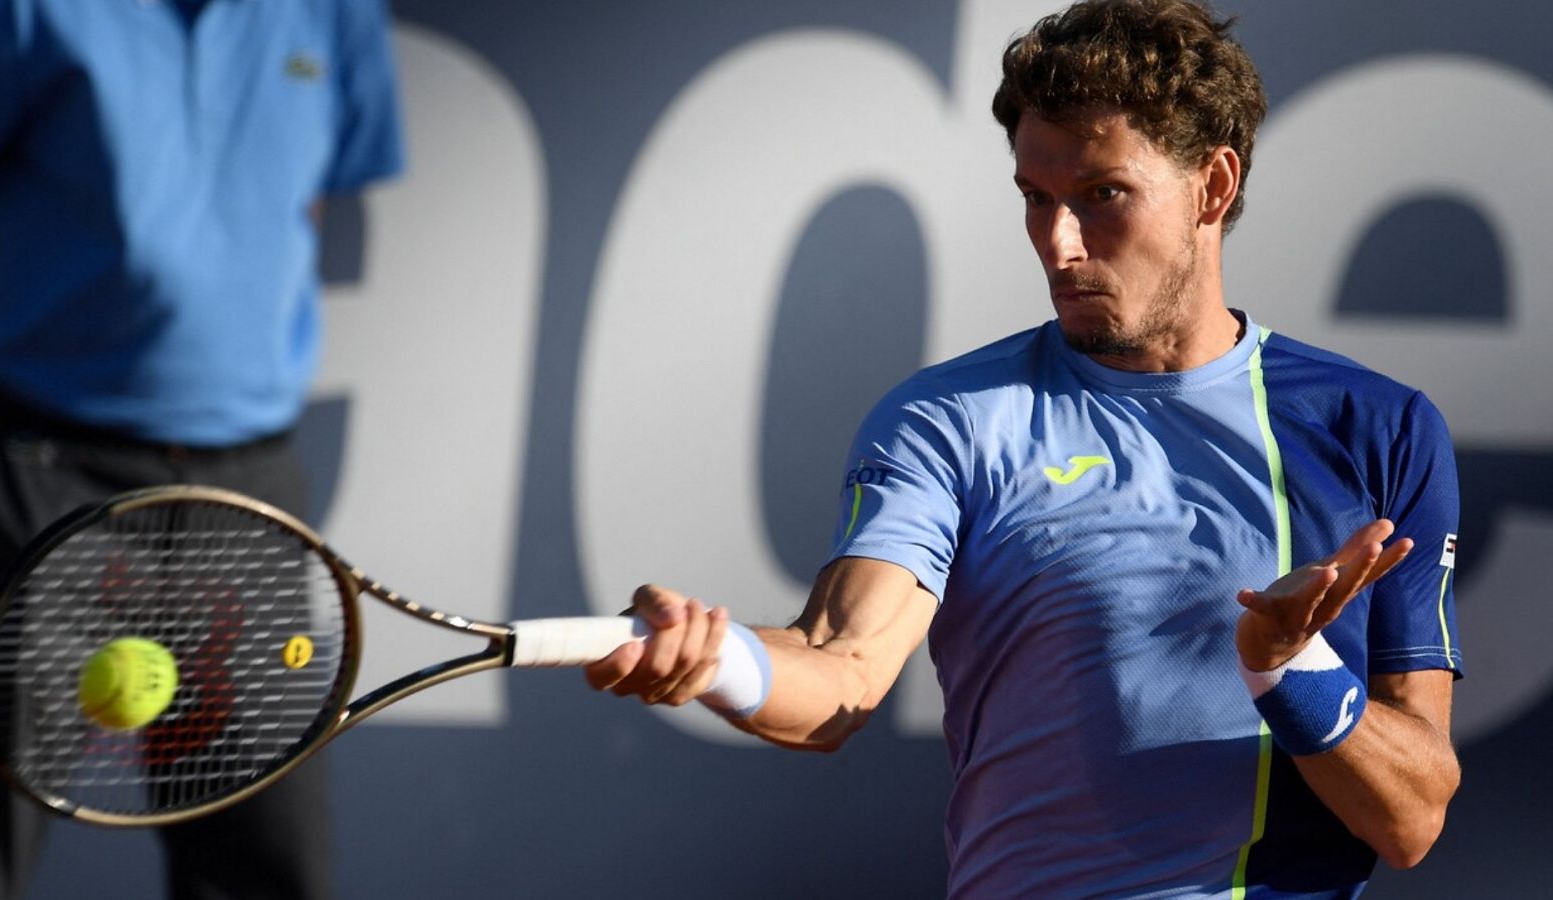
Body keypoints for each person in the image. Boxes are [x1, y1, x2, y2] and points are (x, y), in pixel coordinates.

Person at [584, 1, 1463, 896]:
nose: (1058, 244)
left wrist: (1287, 664)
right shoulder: (949, 418)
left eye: (1102, 195)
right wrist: (716, 660)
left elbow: (1411, 818)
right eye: (1036, 198)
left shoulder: (1379, 428)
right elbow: (843, 669)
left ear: (1213, 184)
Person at [0, 1, 404, 898]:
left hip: (252, 494)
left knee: (265, 870)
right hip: (37, 473)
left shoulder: (335, 13)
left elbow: (303, 197)